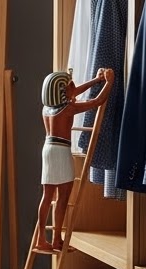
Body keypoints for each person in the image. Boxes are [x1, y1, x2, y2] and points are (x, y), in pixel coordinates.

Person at [33, 67, 114, 252]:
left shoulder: (47, 109)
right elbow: (97, 101)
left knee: (47, 196)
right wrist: (109, 82)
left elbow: (74, 92)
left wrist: (96, 80)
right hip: (61, 151)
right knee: (63, 197)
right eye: (70, 85)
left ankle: (41, 239)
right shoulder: (68, 109)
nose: (74, 87)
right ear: (62, 91)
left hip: (47, 149)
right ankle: (57, 240)